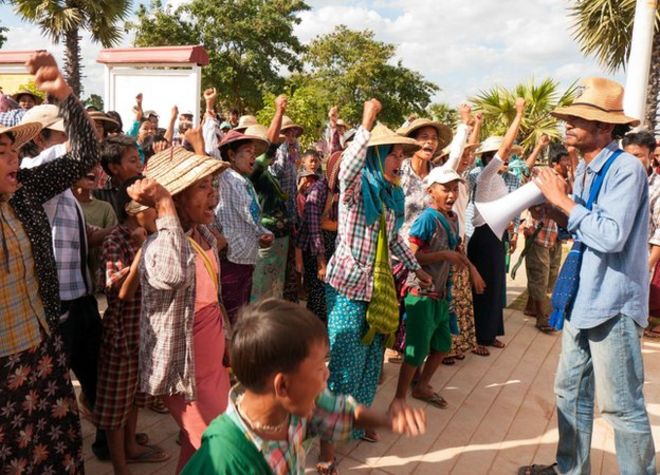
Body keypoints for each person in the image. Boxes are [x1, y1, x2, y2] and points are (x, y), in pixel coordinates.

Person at [520, 77, 655, 475]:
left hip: (611, 302)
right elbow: (585, 227)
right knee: (570, 390)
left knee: (621, 406)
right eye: (570, 117)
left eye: (580, 119)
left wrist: (563, 201)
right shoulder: (586, 171)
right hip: (581, 296)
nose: (569, 125)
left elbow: (611, 236)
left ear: (606, 128)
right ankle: (569, 468)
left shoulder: (626, 169)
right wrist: (557, 210)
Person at [180, 299, 426, 475]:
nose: (327, 373)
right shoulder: (222, 460)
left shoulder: (296, 407)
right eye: (320, 367)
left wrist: (387, 420)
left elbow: (342, 411)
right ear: (283, 385)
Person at [0, 51, 98, 474]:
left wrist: (64, 96)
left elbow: (85, 154)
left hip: (41, 346)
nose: (14, 159)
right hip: (4, 366)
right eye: (3, 153)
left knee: (50, 453)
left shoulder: (23, 190)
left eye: (13, 150)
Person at [319, 99, 432, 467]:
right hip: (348, 289)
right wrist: (366, 124)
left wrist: (416, 267)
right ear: (374, 155)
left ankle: (357, 421)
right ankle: (327, 447)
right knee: (344, 366)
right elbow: (348, 169)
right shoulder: (355, 192)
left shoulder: (387, 196)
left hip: (377, 292)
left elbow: (397, 239)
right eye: (392, 154)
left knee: (371, 364)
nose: (399, 161)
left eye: (401, 154)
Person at [129, 146, 231, 473]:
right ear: (177, 198)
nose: (213, 193)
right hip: (184, 372)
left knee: (196, 444)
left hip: (210, 365)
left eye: (211, 185)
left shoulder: (202, 236)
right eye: (202, 187)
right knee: (220, 446)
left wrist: (226, 338)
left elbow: (213, 297)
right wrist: (162, 205)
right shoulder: (159, 245)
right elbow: (173, 274)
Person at [96, 177, 169, 473]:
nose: (157, 213)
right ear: (132, 209)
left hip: (142, 331)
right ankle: (120, 466)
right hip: (121, 334)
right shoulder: (116, 239)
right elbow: (121, 291)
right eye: (150, 207)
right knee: (116, 404)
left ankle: (131, 445)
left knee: (134, 396)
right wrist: (144, 249)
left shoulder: (151, 235)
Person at [392, 167, 466, 410]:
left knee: (442, 345)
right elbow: (411, 257)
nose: (451, 194)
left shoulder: (451, 219)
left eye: (455, 189)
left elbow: (453, 253)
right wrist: (444, 254)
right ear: (430, 191)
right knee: (415, 351)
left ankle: (422, 386)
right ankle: (400, 398)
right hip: (421, 295)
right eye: (445, 189)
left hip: (440, 295)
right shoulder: (426, 219)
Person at [467, 98, 526, 351]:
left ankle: (488, 334)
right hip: (483, 237)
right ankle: (479, 337)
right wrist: (519, 115)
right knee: (482, 290)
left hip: (495, 237)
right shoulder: (486, 175)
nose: (505, 159)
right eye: (500, 156)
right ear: (490, 159)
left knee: (494, 289)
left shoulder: (501, 179)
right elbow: (506, 146)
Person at [216, 129, 273, 323]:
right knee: (233, 315)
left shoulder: (244, 181)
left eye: (254, 153)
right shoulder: (225, 177)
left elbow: (253, 218)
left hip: (244, 257)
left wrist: (264, 234)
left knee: (240, 311)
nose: (253, 156)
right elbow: (249, 214)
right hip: (232, 258)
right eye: (248, 151)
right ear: (231, 155)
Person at [523, 143, 570, 333]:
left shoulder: (568, 179)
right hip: (539, 232)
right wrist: (539, 146)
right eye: (565, 160)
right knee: (540, 275)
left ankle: (531, 307)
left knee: (550, 274)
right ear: (555, 162)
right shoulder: (544, 176)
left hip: (555, 235)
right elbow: (525, 172)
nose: (568, 163)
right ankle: (542, 318)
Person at [621, 131, 660, 336]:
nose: (631, 161)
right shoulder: (621, 183)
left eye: (637, 156)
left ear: (651, 156)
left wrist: (646, 267)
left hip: (641, 263)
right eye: (627, 155)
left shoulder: (656, 187)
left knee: (630, 324)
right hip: (618, 262)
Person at [95, 134, 143, 216]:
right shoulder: (99, 196)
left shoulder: (147, 189)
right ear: (114, 168)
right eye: (133, 161)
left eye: (139, 158)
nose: (140, 165)